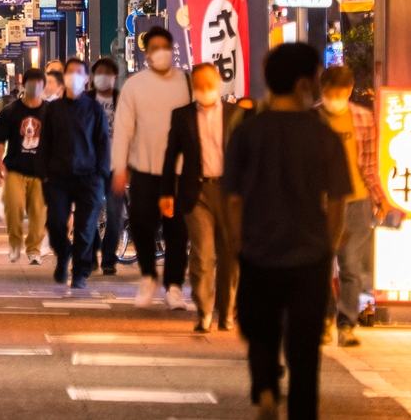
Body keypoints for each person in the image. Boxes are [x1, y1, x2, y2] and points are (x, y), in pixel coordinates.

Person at [225, 44, 354, 420]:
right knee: (304, 345)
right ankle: (302, 411)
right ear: (302, 83)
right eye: (316, 78)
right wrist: (328, 246)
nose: (317, 85)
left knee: (260, 329)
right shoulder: (323, 134)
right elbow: (337, 201)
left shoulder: (247, 132)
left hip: (258, 249)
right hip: (309, 254)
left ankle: (265, 389)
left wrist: (238, 246)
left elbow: (233, 199)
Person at [161, 63, 249, 332]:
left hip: (231, 193)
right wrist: (166, 193)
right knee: (202, 254)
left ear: (219, 83)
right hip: (196, 192)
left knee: (230, 256)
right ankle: (204, 310)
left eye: (208, 85)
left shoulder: (237, 114)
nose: (204, 91)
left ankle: (227, 310)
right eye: (198, 86)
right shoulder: (182, 116)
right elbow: (169, 157)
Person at [111, 29, 194, 307]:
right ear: (146, 53)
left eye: (165, 46)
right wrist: (119, 167)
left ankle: (173, 286)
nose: (161, 52)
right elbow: (123, 128)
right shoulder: (134, 86)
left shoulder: (187, 81)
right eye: (155, 47)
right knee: (141, 225)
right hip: (145, 169)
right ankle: (148, 275)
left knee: (177, 231)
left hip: (181, 172)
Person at [316, 65, 384, 346]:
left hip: (356, 201)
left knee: (351, 267)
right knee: (319, 265)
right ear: (323, 90)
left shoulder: (364, 119)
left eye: (341, 92)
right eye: (331, 93)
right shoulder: (311, 119)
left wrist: (379, 198)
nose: (336, 98)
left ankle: (346, 325)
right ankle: (324, 318)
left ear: (349, 90)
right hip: (319, 202)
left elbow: (369, 166)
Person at [38, 56, 109, 287]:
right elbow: (44, 143)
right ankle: (63, 252)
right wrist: (44, 174)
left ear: (86, 78)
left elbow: (102, 143)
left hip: (89, 177)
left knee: (86, 227)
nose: (74, 77)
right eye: (70, 73)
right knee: (56, 223)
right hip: (57, 177)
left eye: (79, 73)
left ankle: (79, 272)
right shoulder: (53, 109)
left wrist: (101, 174)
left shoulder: (94, 108)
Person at [0, 68, 49, 266]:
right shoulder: (10, 111)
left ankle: (34, 250)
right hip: (15, 169)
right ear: (24, 85)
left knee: (38, 213)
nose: (35, 86)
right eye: (31, 82)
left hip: (41, 172)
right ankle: (15, 243)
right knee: (14, 209)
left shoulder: (50, 111)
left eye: (39, 82)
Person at [89, 57, 127, 275]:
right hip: (90, 167)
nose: (103, 76)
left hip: (116, 166)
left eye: (107, 72)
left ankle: (109, 259)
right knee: (89, 213)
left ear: (114, 76)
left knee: (115, 215)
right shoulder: (84, 100)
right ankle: (92, 253)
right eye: (99, 72)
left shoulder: (122, 100)